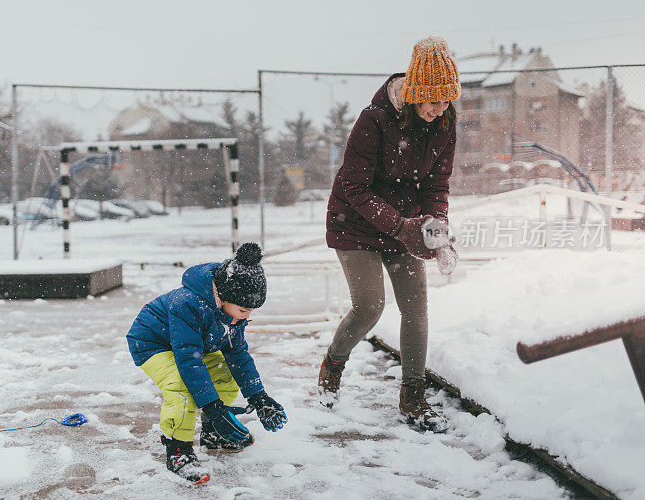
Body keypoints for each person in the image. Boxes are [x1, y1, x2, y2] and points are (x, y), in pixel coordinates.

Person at [318, 36, 460, 431]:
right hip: (355, 223)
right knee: (370, 306)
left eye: (447, 101)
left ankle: (413, 399)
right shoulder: (375, 119)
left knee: (416, 307)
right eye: (433, 101)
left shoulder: (445, 124)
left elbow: (437, 186)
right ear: (414, 95)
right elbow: (354, 187)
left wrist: (436, 232)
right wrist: (402, 227)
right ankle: (333, 362)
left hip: (408, 226)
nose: (440, 109)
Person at [126, 243, 288, 483]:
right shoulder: (188, 303)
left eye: (251, 310)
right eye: (244, 309)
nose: (247, 316)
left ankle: (214, 435)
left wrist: (259, 397)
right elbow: (189, 360)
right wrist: (213, 408)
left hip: (192, 344)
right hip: (153, 343)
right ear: (224, 297)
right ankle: (178, 450)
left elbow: (238, 356)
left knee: (226, 373)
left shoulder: (231, 312)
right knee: (182, 386)